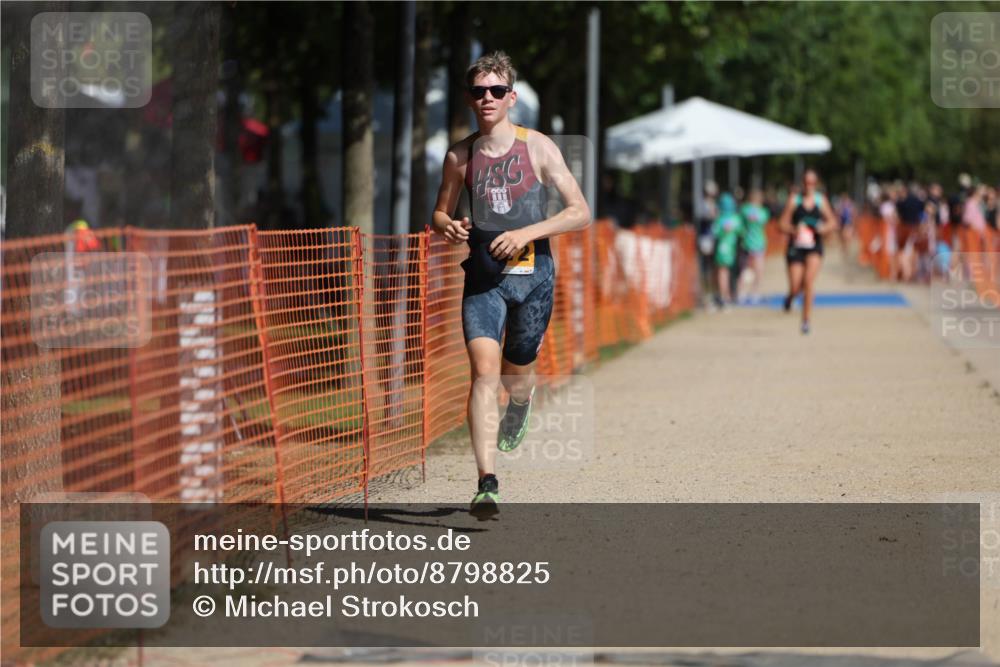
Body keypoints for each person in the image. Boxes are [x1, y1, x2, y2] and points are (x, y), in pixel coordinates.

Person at [431, 51, 591, 515]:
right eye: (479, 91)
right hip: (483, 280)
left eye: (496, 91)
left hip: (533, 277)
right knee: (483, 373)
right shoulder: (459, 157)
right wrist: (447, 226)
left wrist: (526, 232)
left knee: (515, 371)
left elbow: (579, 212)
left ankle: (520, 402)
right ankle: (487, 481)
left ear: (511, 97)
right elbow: (440, 210)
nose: (487, 98)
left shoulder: (538, 147)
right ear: (469, 98)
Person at [778, 169, 838, 334]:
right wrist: (793, 230)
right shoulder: (794, 200)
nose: (809, 185)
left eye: (812, 182)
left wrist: (824, 228)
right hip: (796, 247)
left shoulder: (821, 200)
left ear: (816, 184)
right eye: (806, 182)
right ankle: (790, 298)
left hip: (814, 246)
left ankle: (805, 320)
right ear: (802, 183)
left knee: (808, 281)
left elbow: (833, 221)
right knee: (796, 286)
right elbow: (781, 224)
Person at [738, 189, 770, 304]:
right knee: (753, 270)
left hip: (752, 244)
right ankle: (749, 293)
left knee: (749, 270)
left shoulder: (747, 210)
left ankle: (746, 293)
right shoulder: (759, 212)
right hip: (753, 244)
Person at [711, 193, 742, 308]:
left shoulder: (720, 219)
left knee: (722, 272)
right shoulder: (736, 219)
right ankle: (729, 294)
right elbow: (741, 231)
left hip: (722, 249)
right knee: (728, 272)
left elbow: (715, 233)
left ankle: (724, 296)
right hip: (732, 249)